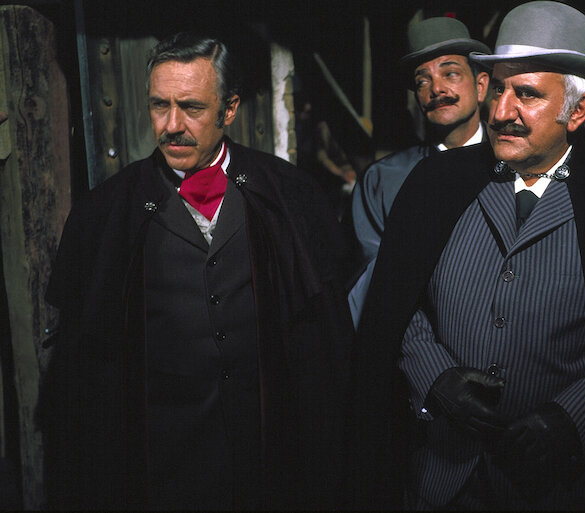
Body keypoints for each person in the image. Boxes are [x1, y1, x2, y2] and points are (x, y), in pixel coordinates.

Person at [350, 2, 585, 510]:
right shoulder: (435, 184)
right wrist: (435, 378)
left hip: (559, 487)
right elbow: (395, 305)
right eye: (497, 89)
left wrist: (573, 418)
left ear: (577, 111)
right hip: (438, 479)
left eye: (527, 94)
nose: (500, 112)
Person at [40, 33, 352, 510]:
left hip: (271, 459)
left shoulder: (288, 193)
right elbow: (84, 376)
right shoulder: (104, 213)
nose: (172, 126)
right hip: (161, 468)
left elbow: (324, 348)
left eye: (191, 108)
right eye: (159, 106)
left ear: (229, 110)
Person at [348, 16, 489, 325]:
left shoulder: (516, 168)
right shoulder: (383, 180)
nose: (436, 88)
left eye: (450, 73)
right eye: (422, 81)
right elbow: (374, 289)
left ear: (480, 86)